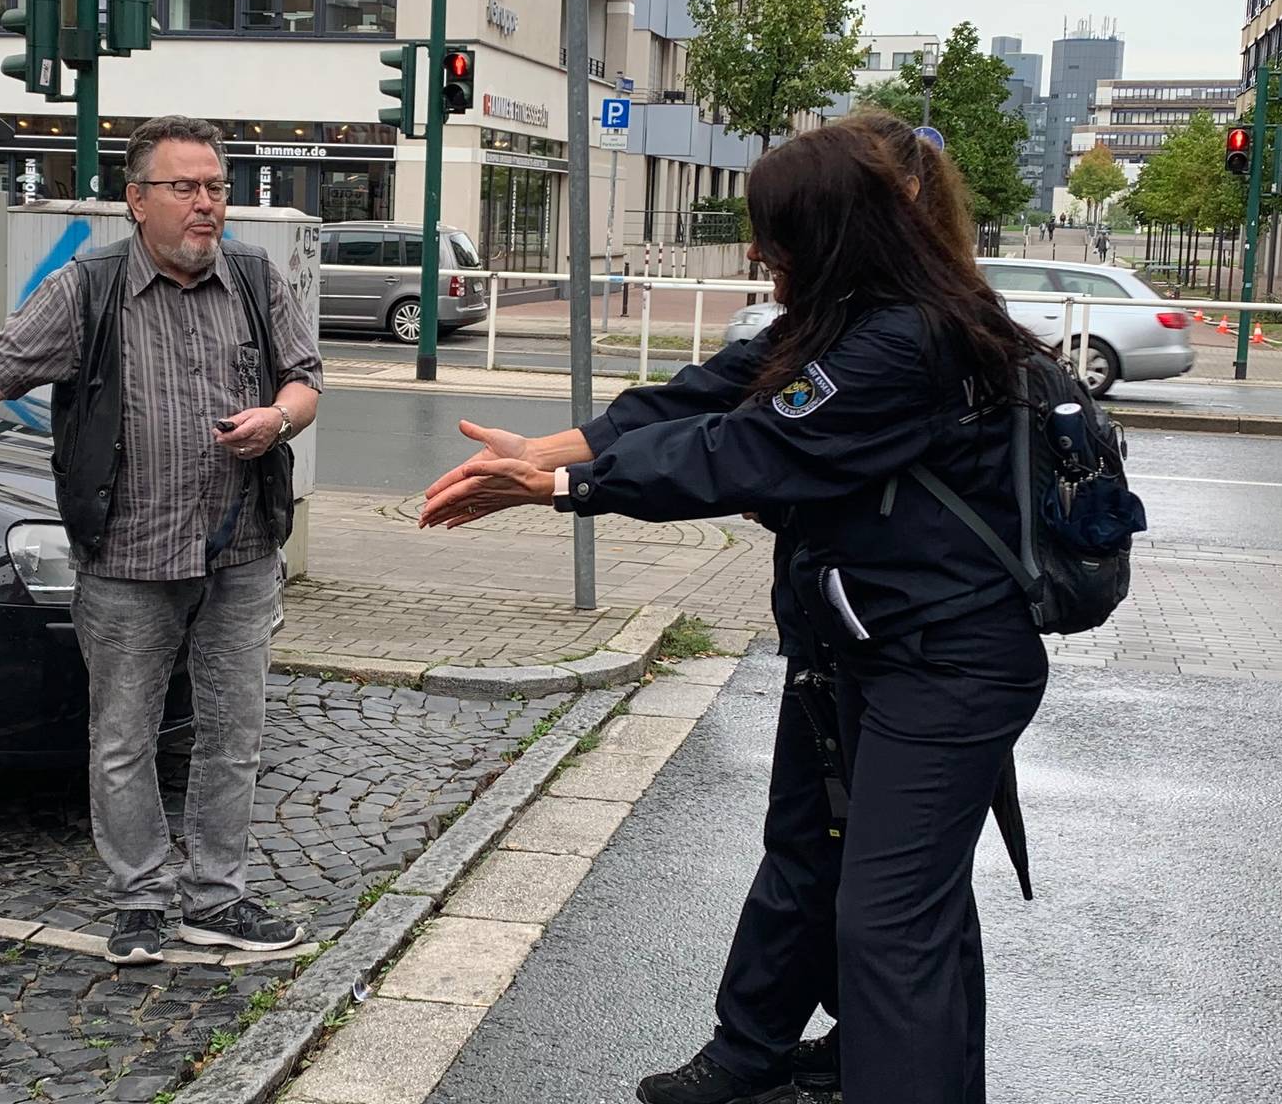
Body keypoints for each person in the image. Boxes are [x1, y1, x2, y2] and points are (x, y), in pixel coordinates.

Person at [421, 118, 1051, 1104]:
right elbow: (701, 397)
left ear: (834, 230)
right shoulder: (842, 318)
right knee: (820, 858)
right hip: (855, 640)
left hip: (944, 665)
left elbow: (744, 449)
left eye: (774, 229)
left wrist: (562, 490)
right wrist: (549, 449)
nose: (757, 250)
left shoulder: (911, 338)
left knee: (892, 919)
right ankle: (764, 1055)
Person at [0, 116, 321, 965]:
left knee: (233, 735)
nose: (206, 204)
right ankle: (141, 897)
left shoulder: (255, 278)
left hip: (240, 551)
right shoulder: (88, 290)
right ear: (136, 200)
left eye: (216, 187)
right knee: (123, 739)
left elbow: (305, 379)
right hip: (128, 558)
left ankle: (217, 898)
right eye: (184, 187)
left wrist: (279, 419)